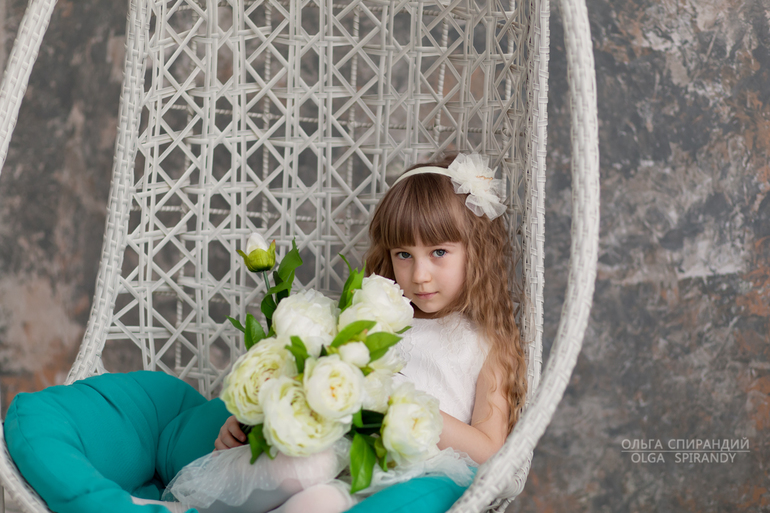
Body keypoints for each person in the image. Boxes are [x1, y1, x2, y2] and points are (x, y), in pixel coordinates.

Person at [171, 152, 527, 513]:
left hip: (402, 475)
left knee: (319, 500)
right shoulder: (375, 314)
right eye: (404, 254)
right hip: (332, 450)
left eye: (438, 252)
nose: (420, 275)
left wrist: (394, 400)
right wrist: (260, 419)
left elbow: (489, 451)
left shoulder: (488, 343)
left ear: (476, 252)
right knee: (308, 466)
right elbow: (312, 382)